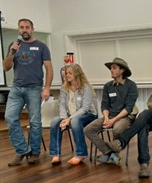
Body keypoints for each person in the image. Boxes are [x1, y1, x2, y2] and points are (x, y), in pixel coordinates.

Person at [3, 18, 53, 166]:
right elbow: (6, 68)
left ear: (32, 29)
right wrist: (12, 53)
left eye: (27, 27)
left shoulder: (41, 46)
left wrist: (47, 88)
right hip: (16, 88)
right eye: (21, 27)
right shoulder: (14, 46)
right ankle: (22, 150)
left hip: (34, 88)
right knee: (10, 117)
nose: (24, 29)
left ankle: (35, 153)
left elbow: (49, 69)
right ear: (19, 30)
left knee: (35, 121)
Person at [84, 57, 138, 165]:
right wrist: (107, 118)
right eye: (111, 68)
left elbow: (129, 107)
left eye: (114, 68)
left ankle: (115, 154)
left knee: (117, 130)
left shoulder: (131, 86)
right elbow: (104, 105)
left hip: (124, 117)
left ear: (122, 70)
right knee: (88, 129)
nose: (111, 70)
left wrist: (113, 120)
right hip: (110, 116)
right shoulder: (108, 86)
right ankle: (109, 153)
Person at [49, 64, 97, 165]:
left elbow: (85, 108)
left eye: (70, 73)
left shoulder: (85, 88)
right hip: (69, 115)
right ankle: (55, 154)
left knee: (75, 121)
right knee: (55, 122)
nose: (67, 75)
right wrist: (64, 118)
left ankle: (80, 154)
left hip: (88, 115)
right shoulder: (64, 88)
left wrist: (69, 119)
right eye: (66, 73)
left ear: (77, 74)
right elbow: (61, 104)